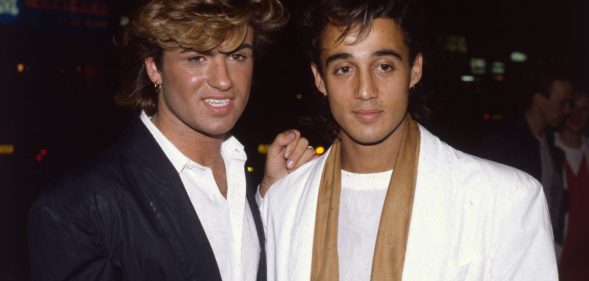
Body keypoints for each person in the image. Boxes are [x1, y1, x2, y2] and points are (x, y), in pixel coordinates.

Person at [261, 0, 558, 280]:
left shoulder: (505, 200)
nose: (366, 90)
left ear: (414, 70)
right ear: (319, 79)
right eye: (344, 69)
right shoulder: (283, 202)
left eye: (384, 66)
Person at [27, 0, 315, 280]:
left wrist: (269, 201)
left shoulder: (245, 179)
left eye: (237, 56)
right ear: (154, 67)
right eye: (197, 58)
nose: (224, 80)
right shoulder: (76, 209)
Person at [479, 66, 573, 247]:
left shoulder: (550, 144)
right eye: (562, 103)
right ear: (539, 100)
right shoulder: (502, 144)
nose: (567, 110)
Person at [554, 90, 589, 280]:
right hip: (556, 264)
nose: (577, 115)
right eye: (573, 107)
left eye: (584, 109)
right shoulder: (547, 152)